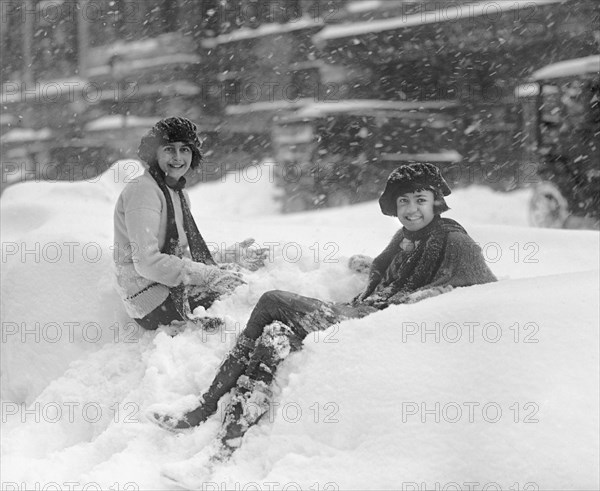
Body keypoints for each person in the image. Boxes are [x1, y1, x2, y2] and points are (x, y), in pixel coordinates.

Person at [149, 162, 497, 462]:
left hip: (373, 324)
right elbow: (388, 274)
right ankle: (229, 438)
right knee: (274, 338)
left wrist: (411, 305)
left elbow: (476, 288)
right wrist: (370, 267)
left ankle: (207, 404)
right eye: (403, 201)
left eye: (420, 200)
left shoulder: (455, 241)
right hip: (364, 314)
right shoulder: (406, 238)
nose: (411, 209)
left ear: (437, 202)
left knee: (273, 300)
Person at [113, 117, 264, 331]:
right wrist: (209, 274)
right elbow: (147, 263)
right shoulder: (143, 191)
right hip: (150, 299)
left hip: (165, 286)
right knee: (240, 296)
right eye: (169, 149)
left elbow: (176, 256)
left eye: (185, 149)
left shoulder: (177, 192)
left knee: (235, 279)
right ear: (154, 153)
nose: (177, 157)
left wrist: (225, 258)